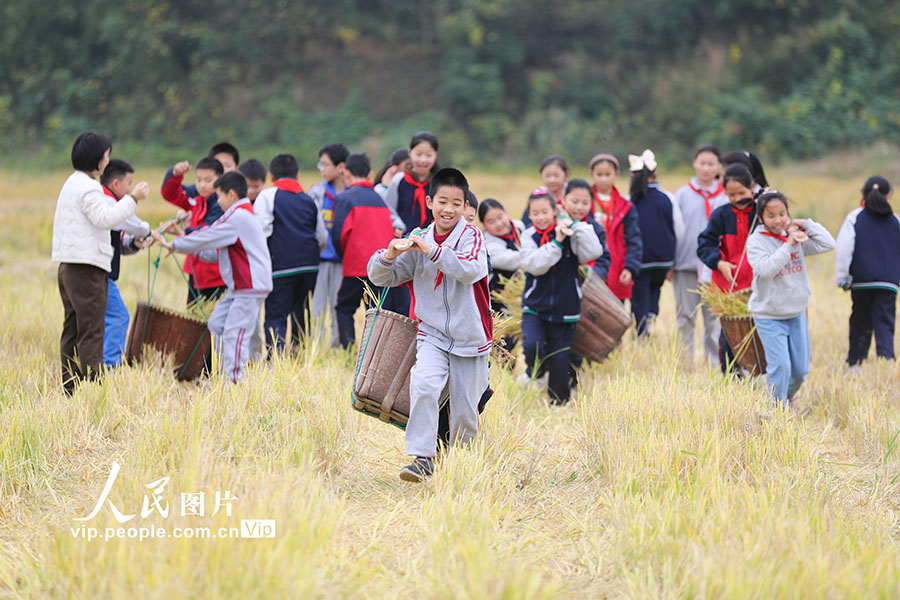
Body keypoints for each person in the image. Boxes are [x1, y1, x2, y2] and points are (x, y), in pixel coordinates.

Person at [367, 168, 491, 482]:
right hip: (432, 334)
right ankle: (423, 458)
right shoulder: (418, 237)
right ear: (429, 202)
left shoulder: (472, 237)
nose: (448, 209)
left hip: (470, 337)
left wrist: (433, 251)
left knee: (465, 411)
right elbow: (384, 278)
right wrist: (388, 255)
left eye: (456, 203)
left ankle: (462, 467)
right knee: (423, 385)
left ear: (465, 207)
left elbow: (469, 269)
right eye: (442, 201)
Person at [51, 131, 150, 393]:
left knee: (72, 330)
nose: (108, 160)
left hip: (68, 267)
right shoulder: (89, 187)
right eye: (106, 155)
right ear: (97, 159)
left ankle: (71, 388)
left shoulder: (72, 183)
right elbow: (105, 218)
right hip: (86, 268)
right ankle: (93, 390)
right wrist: (133, 199)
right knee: (92, 330)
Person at [160, 172, 272, 383]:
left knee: (235, 332)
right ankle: (222, 377)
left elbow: (209, 234)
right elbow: (215, 249)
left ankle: (234, 382)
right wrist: (184, 241)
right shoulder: (242, 214)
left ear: (231, 194)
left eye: (219, 196)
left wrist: (177, 244)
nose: (217, 201)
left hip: (249, 286)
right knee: (217, 324)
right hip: (239, 287)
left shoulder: (238, 215)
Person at [746, 190, 835, 408]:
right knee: (781, 367)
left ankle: (787, 395)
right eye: (771, 216)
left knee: (800, 369)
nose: (778, 220)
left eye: (782, 214)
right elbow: (766, 269)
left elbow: (828, 243)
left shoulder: (795, 233)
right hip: (768, 315)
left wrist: (805, 223)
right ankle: (776, 412)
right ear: (760, 218)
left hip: (796, 312)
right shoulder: (756, 242)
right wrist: (787, 245)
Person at [519, 189, 602, 405]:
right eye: (535, 213)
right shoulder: (528, 236)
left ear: (555, 211)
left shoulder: (571, 235)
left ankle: (560, 403)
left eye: (545, 212)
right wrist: (556, 244)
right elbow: (534, 265)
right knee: (532, 346)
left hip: (566, 309)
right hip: (535, 307)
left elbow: (594, 251)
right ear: (529, 214)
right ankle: (535, 371)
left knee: (560, 359)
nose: (540, 217)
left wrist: (573, 224)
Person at [254, 153, 327, 352]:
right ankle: (300, 355)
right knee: (301, 312)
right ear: (298, 174)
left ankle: (275, 359)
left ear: (271, 176)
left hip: (280, 265)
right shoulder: (308, 200)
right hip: (310, 266)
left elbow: (261, 231)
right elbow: (322, 237)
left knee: (276, 314)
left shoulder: (267, 196)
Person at [698, 163, 759, 372]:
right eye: (731, 194)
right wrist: (719, 263)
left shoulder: (761, 212)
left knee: (760, 333)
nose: (736, 198)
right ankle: (732, 376)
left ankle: (760, 374)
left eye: (741, 192)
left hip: (758, 287)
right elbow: (704, 244)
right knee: (729, 335)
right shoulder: (721, 215)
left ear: (752, 187)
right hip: (729, 290)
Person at [330, 152, 395, 348]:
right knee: (376, 312)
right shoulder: (380, 199)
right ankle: (372, 352)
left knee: (344, 308)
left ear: (346, 173)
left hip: (355, 265)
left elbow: (338, 234)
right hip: (380, 267)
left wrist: (344, 255)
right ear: (369, 174)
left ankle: (348, 349)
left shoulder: (345, 198)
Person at [835, 176, 900, 366]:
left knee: (860, 321)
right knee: (885, 321)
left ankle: (855, 362)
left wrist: (843, 278)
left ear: (862, 194)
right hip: (888, 282)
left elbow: (844, 249)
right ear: (888, 195)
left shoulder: (854, 217)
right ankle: (886, 361)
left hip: (861, 281)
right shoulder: (896, 221)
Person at [673, 144, 726, 365]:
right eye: (702, 163)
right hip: (685, 263)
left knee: (714, 318)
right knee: (685, 316)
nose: (706, 168)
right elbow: (673, 230)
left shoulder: (725, 195)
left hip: (715, 267)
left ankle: (714, 363)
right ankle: (686, 362)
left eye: (711, 164)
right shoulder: (683, 194)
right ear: (694, 163)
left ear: (719, 166)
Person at [99, 159, 153, 367]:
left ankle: (98, 363)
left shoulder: (103, 201)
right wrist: (150, 232)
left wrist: (134, 243)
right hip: (102, 274)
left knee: (100, 319)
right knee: (119, 316)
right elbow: (136, 225)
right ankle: (110, 364)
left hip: (99, 273)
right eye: (129, 183)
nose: (130, 188)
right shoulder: (110, 203)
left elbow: (118, 239)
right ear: (115, 184)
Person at [382, 131, 441, 317]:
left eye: (428, 155)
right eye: (418, 154)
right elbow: (389, 208)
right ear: (410, 153)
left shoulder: (440, 182)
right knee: (400, 297)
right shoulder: (400, 180)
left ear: (436, 155)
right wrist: (397, 224)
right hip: (403, 245)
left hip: (430, 247)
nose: (423, 160)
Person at [627, 149, 682, 337]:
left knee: (639, 296)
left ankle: (641, 332)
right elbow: (679, 229)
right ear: (655, 174)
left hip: (639, 260)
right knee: (654, 291)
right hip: (663, 259)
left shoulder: (630, 201)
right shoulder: (667, 197)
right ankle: (650, 321)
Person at [161, 156, 227, 304]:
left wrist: (183, 232)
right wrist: (175, 174)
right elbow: (169, 193)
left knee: (215, 319)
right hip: (196, 270)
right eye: (198, 180)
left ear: (220, 180)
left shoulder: (222, 204)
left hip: (217, 273)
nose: (202, 185)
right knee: (194, 318)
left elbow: (207, 233)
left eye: (208, 180)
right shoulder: (195, 196)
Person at [309, 143, 350, 347]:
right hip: (320, 259)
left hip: (343, 260)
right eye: (321, 164)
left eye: (325, 164)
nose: (322, 169)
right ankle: (315, 347)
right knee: (316, 306)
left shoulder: (352, 193)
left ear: (341, 166)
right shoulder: (317, 192)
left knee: (337, 305)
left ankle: (337, 346)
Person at [588, 153, 642, 302]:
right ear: (591, 174)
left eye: (608, 174)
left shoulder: (626, 206)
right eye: (599, 174)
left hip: (617, 265)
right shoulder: (583, 202)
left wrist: (630, 267)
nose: (603, 178)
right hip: (589, 263)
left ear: (616, 174)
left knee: (614, 315)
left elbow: (634, 240)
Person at [522, 155, 570, 227]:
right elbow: (526, 222)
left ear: (566, 175)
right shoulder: (537, 195)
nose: (551, 180)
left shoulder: (572, 193)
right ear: (541, 176)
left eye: (556, 175)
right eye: (547, 176)